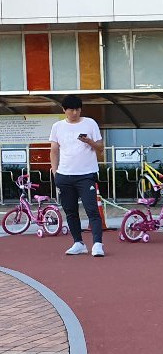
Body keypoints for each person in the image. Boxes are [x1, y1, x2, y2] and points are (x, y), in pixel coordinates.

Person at [49, 95, 105, 256]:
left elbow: (100, 148)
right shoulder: (57, 126)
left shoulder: (90, 123)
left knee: (92, 209)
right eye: (71, 110)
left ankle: (97, 244)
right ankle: (78, 243)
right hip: (64, 175)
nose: (75, 113)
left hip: (86, 174)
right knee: (70, 211)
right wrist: (55, 173)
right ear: (64, 110)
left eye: (77, 109)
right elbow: (54, 150)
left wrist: (89, 141)